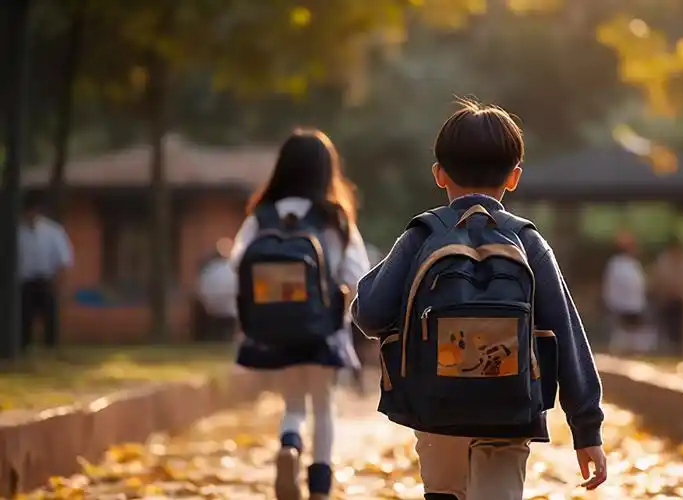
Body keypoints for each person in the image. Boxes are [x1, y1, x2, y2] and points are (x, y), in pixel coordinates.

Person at [351, 100, 607, 500]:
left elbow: (368, 314)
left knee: (444, 489)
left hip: (436, 406)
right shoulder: (528, 241)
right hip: (512, 408)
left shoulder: (422, 235)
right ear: (514, 177)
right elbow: (567, 334)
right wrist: (586, 428)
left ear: (439, 174)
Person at [229, 128, 370, 500]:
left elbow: (237, 263)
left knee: (293, 402)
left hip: (274, 328)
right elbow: (357, 275)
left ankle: (289, 446)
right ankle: (320, 488)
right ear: (327, 171)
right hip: (323, 329)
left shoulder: (261, 216)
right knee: (323, 406)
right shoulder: (334, 218)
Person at [18, 191, 73, 351]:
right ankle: (23, 347)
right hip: (23, 282)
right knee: (24, 318)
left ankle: (51, 348)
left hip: (46, 280)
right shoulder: (15, 232)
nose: (32, 214)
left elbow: (63, 260)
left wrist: (61, 284)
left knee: (50, 318)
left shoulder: (53, 231)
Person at [602, 231, 654, 353]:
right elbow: (611, 288)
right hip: (621, 308)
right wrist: (613, 306)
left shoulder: (634, 264)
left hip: (636, 308)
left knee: (638, 342)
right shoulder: (615, 264)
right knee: (621, 341)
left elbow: (641, 286)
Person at [194, 238, 238, 341]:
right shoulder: (217, 268)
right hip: (222, 309)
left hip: (218, 309)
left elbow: (201, 288)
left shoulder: (211, 268)